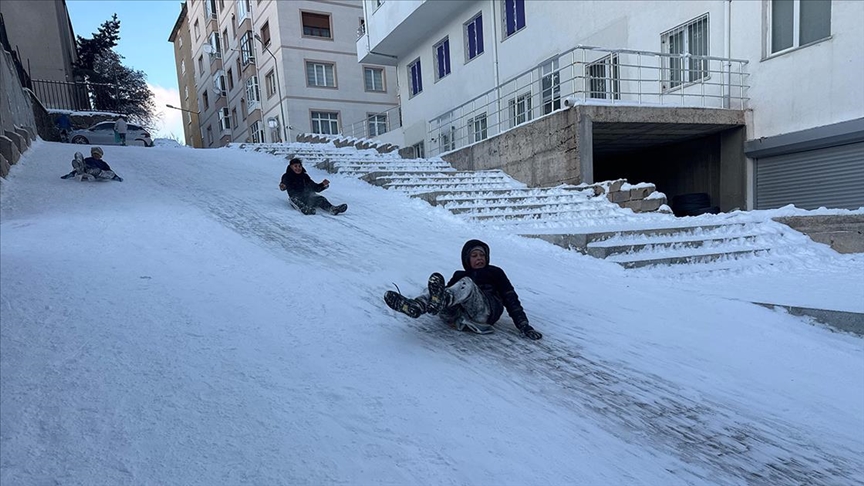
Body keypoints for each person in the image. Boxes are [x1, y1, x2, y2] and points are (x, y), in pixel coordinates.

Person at [384, 239, 543, 340]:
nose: (479, 258)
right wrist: (437, 298)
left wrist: (524, 325)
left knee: (464, 284)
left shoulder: (495, 272)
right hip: (456, 316)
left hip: (483, 313)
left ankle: (440, 302)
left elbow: (511, 298)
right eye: (474, 255)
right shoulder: (459, 274)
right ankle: (415, 307)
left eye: (482, 255)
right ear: (467, 259)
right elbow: (446, 292)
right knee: (434, 292)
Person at [279, 157, 347, 215]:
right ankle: (305, 209)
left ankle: (332, 209)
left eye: (299, 166)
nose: (298, 168)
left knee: (321, 199)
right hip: (296, 198)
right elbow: (283, 185)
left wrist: (323, 185)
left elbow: (315, 187)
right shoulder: (287, 176)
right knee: (294, 200)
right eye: (295, 166)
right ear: (291, 167)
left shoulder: (304, 176)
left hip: (307, 197)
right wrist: (283, 186)